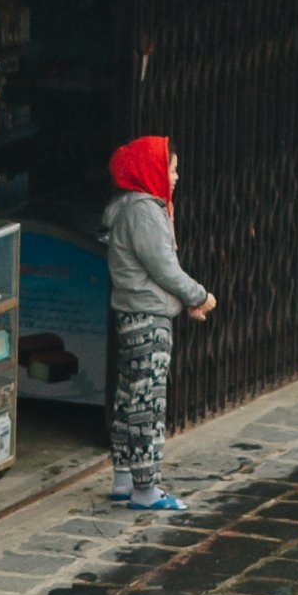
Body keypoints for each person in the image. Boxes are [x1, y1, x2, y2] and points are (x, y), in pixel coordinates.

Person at [101, 134, 215, 512]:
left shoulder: (129, 208)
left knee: (128, 398)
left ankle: (123, 479)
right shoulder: (144, 212)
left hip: (133, 315)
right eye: (171, 168)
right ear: (150, 169)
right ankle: (146, 489)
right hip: (148, 321)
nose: (176, 176)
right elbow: (164, 268)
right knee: (147, 404)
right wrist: (198, 295)